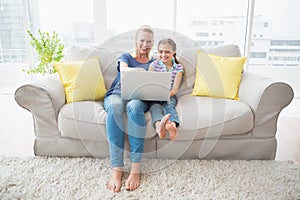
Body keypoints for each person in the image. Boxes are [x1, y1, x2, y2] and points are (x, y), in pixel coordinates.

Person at [103, 25, 155, 192]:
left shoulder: (154, 62)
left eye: (149, 41)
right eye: (142, 40)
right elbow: (124, 69)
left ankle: (135, 169)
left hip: (139, 98)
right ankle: (116, 169)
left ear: (153, 43)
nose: (145, 44)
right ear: (136, 41)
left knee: (133, 106)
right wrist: (137, 70)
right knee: (115, 106)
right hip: (117, 95)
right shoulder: (126, 57)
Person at [148, 38, 184, 141]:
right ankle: (160, 126)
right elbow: (149, 84)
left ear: (174, 52)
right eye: (161, 51)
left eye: (167, 52)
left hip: (170, 95)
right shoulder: (153, 65)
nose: (163, 54)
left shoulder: (178, 68)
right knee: (155, 108)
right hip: (155, 96)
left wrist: (166, 95)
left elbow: (175, 89)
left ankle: (172, 124)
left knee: (169, 106)